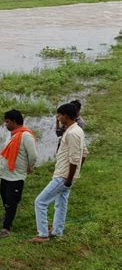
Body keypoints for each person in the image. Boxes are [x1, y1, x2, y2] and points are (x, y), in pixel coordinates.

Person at [31, 103, 88, 242]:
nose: (58, 117)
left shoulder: (73, 133)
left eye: (59, 115)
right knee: (61, 202)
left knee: (40, 202)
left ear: (66, 116)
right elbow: (84, 153)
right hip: (66, 174)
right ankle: (57, 231)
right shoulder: (75, 130)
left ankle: (43, 234)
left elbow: (75, 158)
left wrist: (69, 178)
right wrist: (74, 174)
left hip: (63, 176)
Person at [0, 109, 38, 238]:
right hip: (5, 174)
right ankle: (8, 216)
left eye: (7, 121)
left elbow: (33, 156)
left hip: (16, 176)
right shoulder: (12, 135)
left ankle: (6, 227)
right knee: (5, 198)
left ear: (15, 122)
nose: (6, 124)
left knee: (11, 201)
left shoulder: (26, 136)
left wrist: (29, 168)